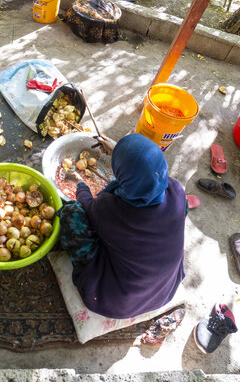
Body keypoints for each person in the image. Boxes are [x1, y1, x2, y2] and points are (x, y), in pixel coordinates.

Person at [58, 133, 187, 319]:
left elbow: (87, 203)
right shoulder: (176, 190)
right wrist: (116, 149)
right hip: (164, 290)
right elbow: (146, 168)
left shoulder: (111, 209)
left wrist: (80, 185)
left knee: (71, 215)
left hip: (118, 300)